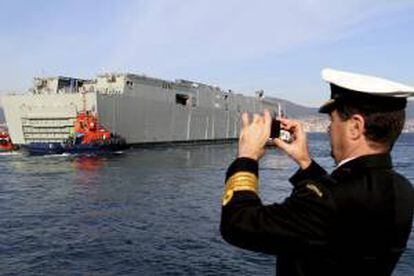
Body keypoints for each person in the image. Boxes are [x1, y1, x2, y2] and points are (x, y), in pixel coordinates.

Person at [220, 68, 414, 276]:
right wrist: (304, 161)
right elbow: (339, 200)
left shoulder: (327, 202)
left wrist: (246, 158)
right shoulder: (402, 189)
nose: (329, 129)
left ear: (355, 127)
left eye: (333, 121)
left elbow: (238, 223)